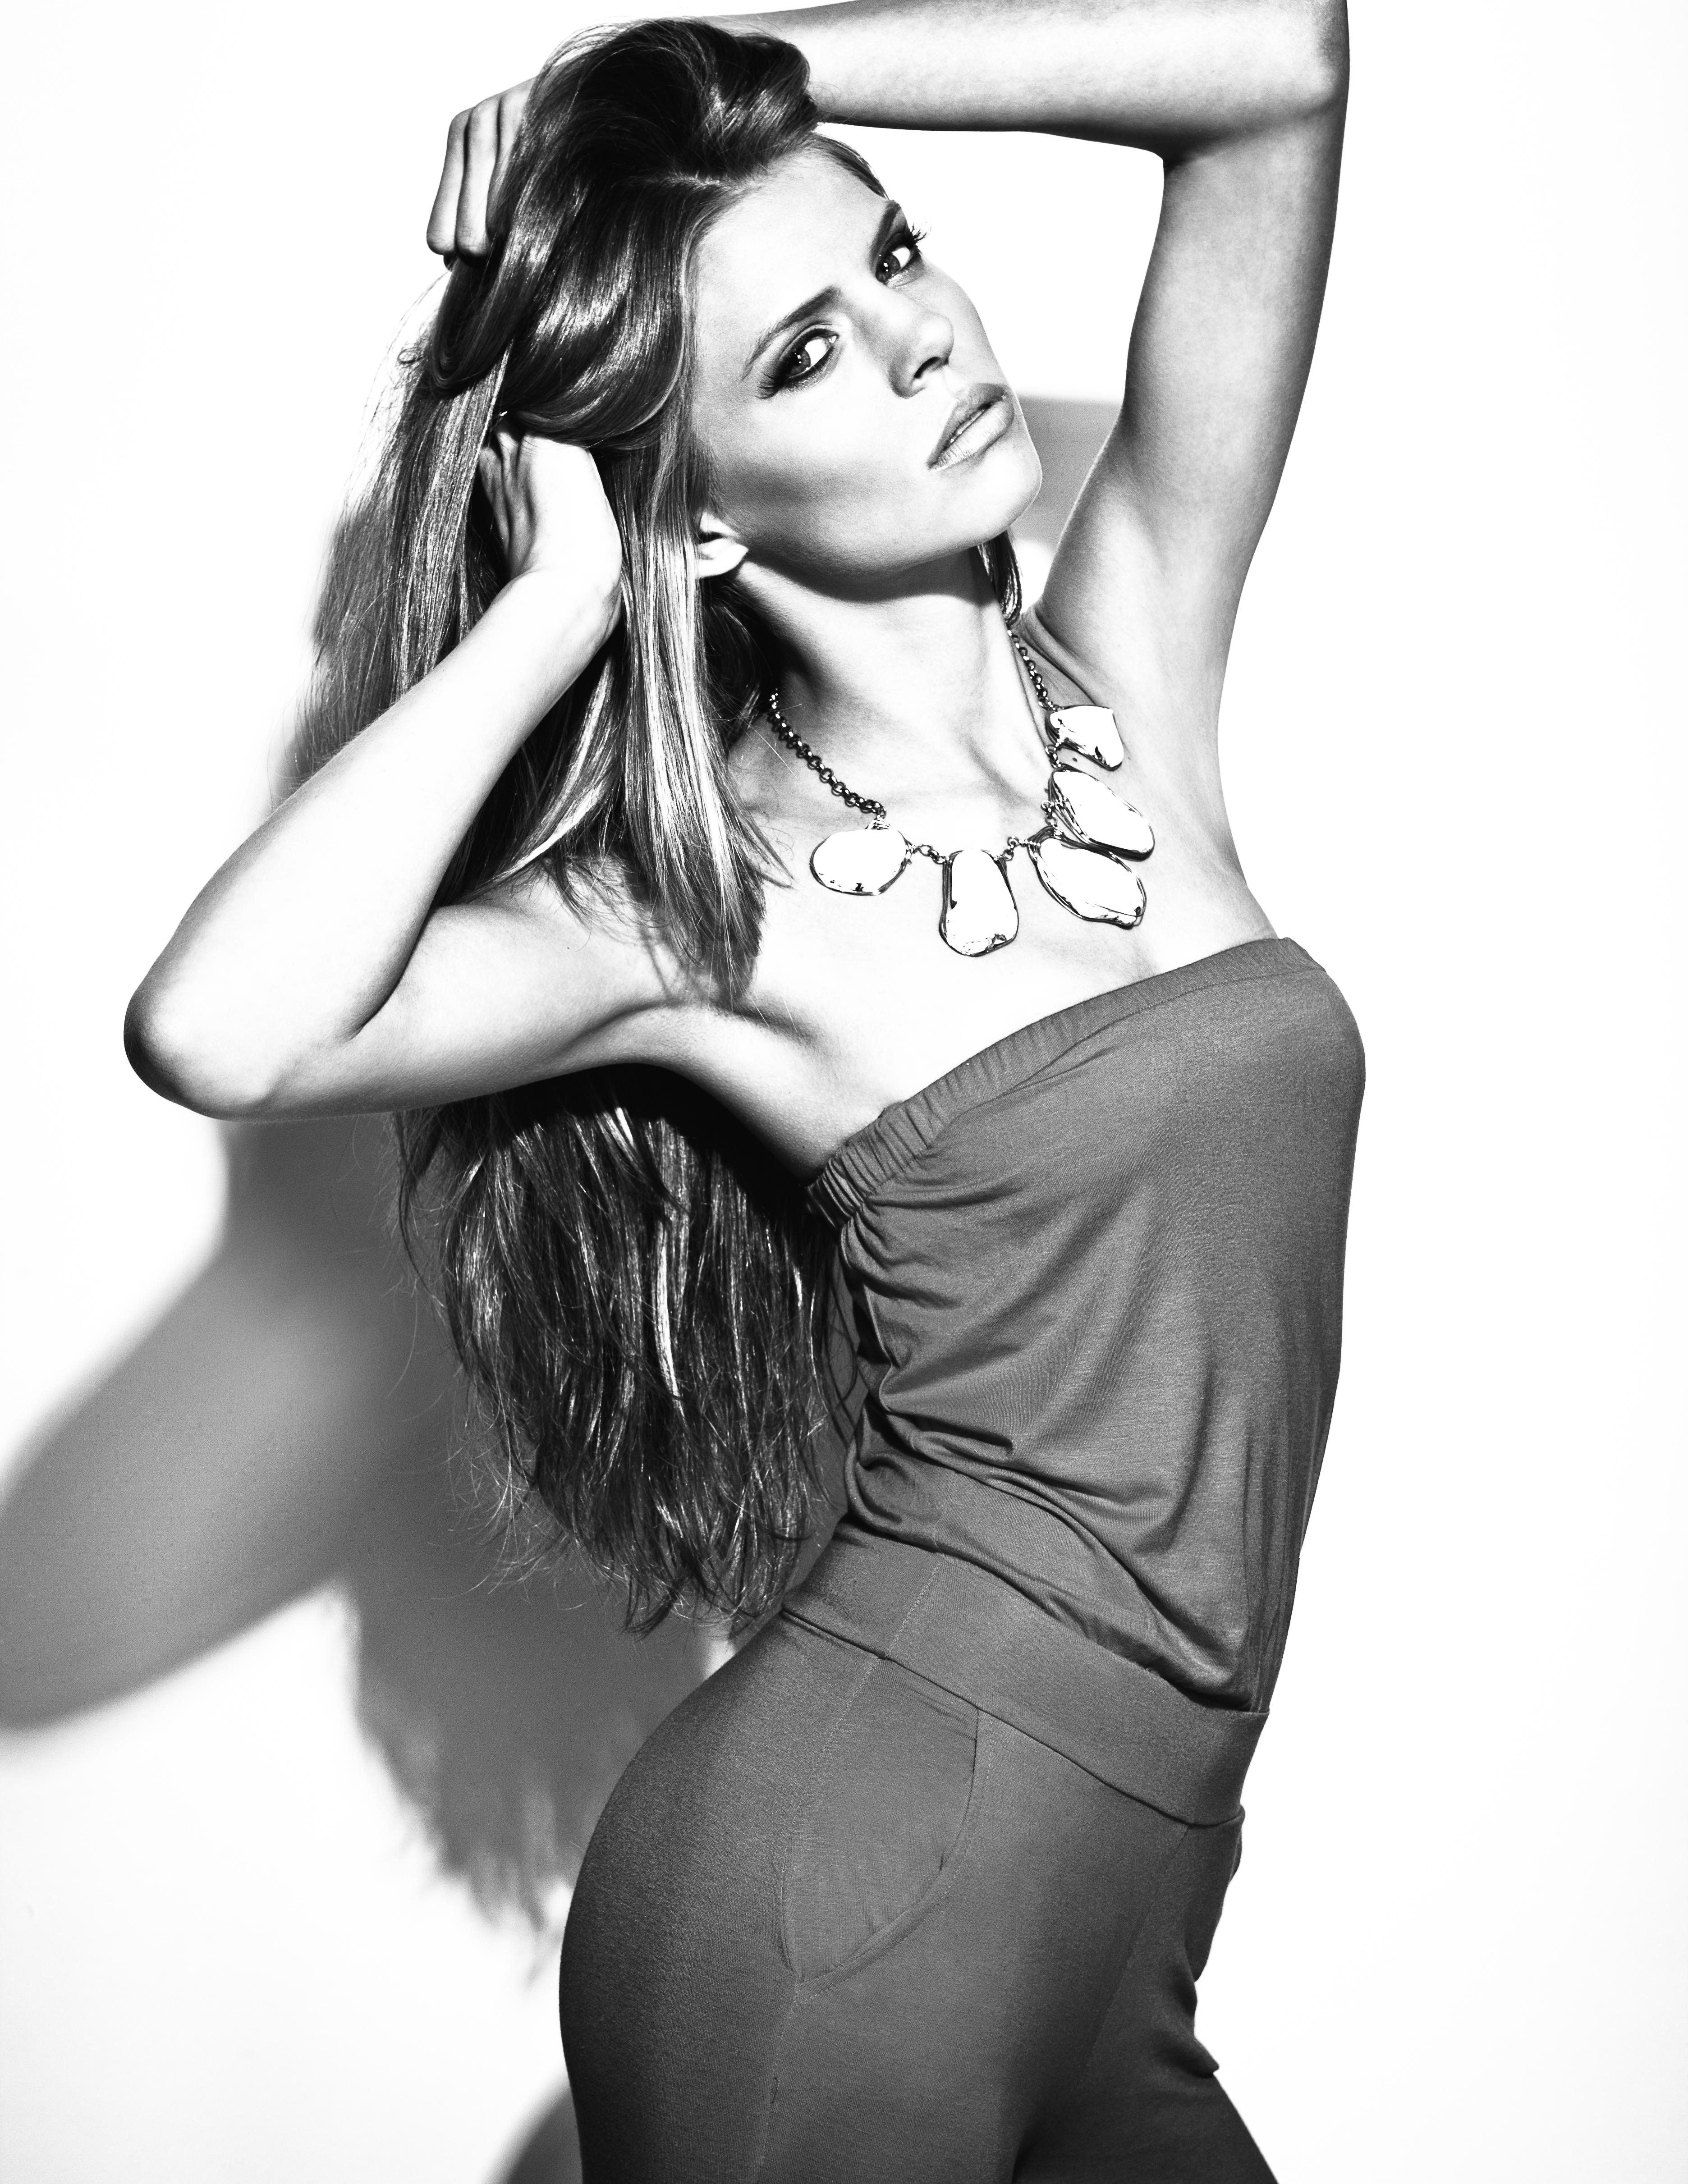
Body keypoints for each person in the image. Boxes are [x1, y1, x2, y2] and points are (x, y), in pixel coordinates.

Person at [125, 5, 1357, 2175]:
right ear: (693, 516)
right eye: (802, 357)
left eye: (895, 257)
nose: (922, 337)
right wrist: (556, 606)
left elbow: (1277, 69)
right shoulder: (707, 915)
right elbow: (225, 1031)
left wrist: (729, 58)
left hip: (1138, 1918)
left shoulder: (1134, 682)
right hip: (847, 1897)